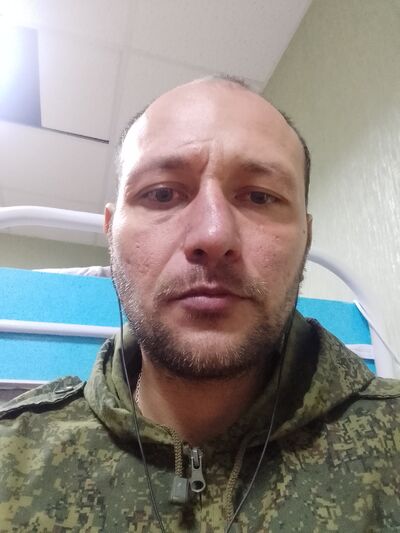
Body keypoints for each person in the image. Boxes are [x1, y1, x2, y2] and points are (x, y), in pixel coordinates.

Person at [0, 77, 399, 533]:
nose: (213, 235)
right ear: (111, 234)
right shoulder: (12, 459)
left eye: (259, 196)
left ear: (305, 238)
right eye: (161, 193)